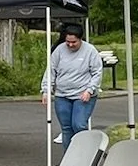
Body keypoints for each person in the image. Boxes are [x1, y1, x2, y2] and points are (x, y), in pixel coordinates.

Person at [41, 22, 102, 151]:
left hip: (83, 94)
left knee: (79, 125)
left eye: (73, 42)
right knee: (66, 127)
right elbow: (51, 70)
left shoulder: (90, 51)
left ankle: (85, 154)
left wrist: (89, 90)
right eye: (68, 41)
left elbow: (97, 72)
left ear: (80, 39)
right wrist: (46, 90)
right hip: (62, 95)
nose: (70, 45)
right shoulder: (59, 50)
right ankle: (69, 158)